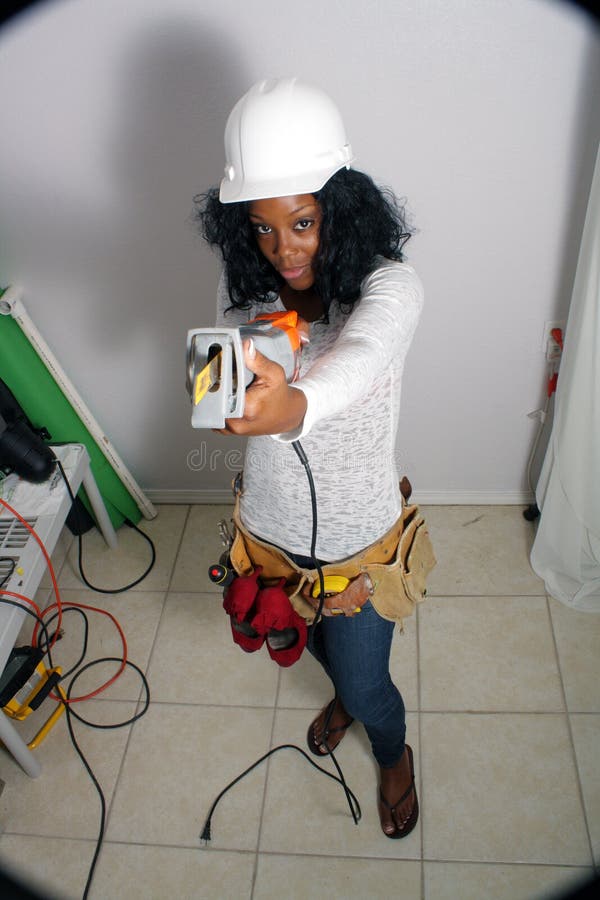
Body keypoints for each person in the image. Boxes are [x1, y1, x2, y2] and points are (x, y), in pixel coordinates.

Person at [196, 77, 424, 839]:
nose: (283, 249)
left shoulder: (392, 288)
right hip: (269, 534)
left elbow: (359, 358)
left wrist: (292, 404)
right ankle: (349, 698)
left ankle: (391, 750)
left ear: (341, 208)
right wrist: (226, 381)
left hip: (357, 543)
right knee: (321, 648)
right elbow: (222, 384)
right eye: (261, 229)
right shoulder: (253, 297)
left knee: (366, 680)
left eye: (302, 222)